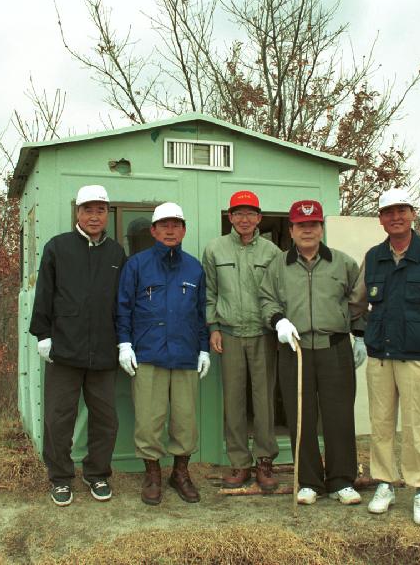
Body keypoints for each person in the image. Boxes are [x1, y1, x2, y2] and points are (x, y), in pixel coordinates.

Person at [350, 187, 420, 526]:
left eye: (402, 210)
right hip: (381, 355)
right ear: (381, 219)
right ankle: (385, 483)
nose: (395, 217)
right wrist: (357, 335)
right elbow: (356, 302)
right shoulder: (374, 257)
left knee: (417, 425)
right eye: (388, 212)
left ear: (413, 214)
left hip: (418, 356)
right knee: (381, 424)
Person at [259, 200, 367, 505]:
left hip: (335, 349)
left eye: (314, 224)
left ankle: (341, 481)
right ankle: (307, 481)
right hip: (295, 350)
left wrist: (359, 337)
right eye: (301, 225)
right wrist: (277, 320)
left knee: (339, 415)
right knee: (300, 415)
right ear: (291, 230)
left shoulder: (343, 263)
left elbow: (358, 303)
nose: (308, 230)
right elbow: (267, 299)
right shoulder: (278, 266)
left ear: (321, 228)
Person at [29, 184, 127, 507]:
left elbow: (122, 303)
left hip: (104, 351)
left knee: (106, 419)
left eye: (101, 210)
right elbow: (44, 293)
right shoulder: (58, 248)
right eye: (89, 209)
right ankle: (60, 478)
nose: (95, 216)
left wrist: (124, 342)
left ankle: (96, 473)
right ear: (78, 213)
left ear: (107, 214)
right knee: (59, 418)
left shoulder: (116, 254)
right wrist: (43, 334)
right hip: (64, 351)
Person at [116, 202, 210, 505]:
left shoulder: (194, 267)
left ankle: (180, 473)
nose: (170, 231)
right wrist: (124, 343)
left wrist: (204, 348)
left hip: (185, 354)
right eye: (164, 225)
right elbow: (123, 307)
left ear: (184, 230)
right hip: (148, 354)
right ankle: (153, 474)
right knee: (148, 420)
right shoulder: (137, 265)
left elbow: (201, 312)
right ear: (153, 231)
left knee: (185, 420)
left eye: (176, 225)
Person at [202, 190, 282, 491]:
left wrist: (277, 329)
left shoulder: (272, 252)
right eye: (238, 213)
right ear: (230, 217)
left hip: (263, 334)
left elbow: (278, 293)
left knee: (264, 400)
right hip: (231, 333)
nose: (244, 219)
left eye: (250, 213)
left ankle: (264, 461)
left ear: (259, 218)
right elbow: (209, 292)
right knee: (233, 401)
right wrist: (213, 327)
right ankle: (239, 463)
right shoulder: (215, 249)